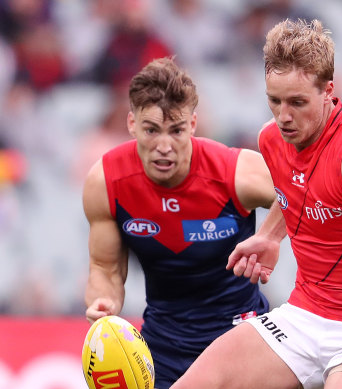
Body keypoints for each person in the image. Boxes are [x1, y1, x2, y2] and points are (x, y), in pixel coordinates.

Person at [170, 19, 342, 389]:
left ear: (328, 91)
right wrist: (270, 236)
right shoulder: (271, 139)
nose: (283, 116)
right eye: (274, 100)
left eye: (297, 102)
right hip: (302, 317)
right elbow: (301, 187)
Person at [82, 56, 275, 388]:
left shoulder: (238, 173)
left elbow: (307, 195)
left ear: (194, 124)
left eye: (176, 130)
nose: (164, 146)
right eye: (151, 130)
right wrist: (106, 302)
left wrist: (273, 235)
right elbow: (105, 267)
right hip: (162, 348)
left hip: (242, 337)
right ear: (131, 123)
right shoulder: (106, 181)